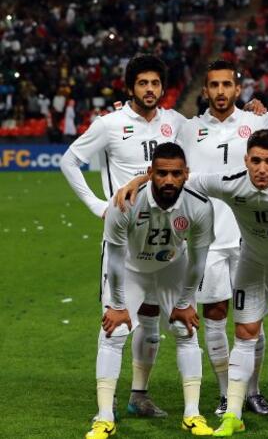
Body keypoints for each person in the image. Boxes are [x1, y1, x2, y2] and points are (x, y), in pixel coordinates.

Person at [115, 130, 268, 438]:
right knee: (245, 334)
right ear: (246, 160)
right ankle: (233, 415)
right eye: (255, 161)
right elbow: (178, 178)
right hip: (253, 264)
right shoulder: (230, 182)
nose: (262, 169)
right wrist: (137, 181)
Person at [60, 54, 187, 418]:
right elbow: (69, 161)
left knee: (150, 322)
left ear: (163, 88)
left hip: (164, 241)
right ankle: (106, 406)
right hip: (123, 241)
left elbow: (212, 139)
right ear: (130, 87)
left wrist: (258, 114)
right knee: (115, 325)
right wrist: (98, 206)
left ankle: (139, 396)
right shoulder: (110, 124)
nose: (149, 89)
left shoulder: (175, 123)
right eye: (142, 83)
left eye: (155, 83)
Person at [176, 60, 268, 417]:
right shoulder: (188, 130)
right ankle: (226, 393)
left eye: (227, 85)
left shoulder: (258, 123)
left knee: (251, 318)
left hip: (250, 237)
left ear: (238, 89)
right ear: (205, 90)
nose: (221, 91)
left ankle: (252, 391)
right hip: (205, 240)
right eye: (214, 85)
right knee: (214, 314)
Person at [86, 142, 215, 439]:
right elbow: (114, 258)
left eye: (176, 174)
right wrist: (118, 306)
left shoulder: (199, 205)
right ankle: (104, 417)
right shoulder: (125, 202)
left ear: (186, 174)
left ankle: (192, 414)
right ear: (150, 173)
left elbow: (199, 260)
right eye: (161, 173)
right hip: (131, 269)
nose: (168, 180)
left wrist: (185, 302)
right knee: (113, 332)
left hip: (172, 267)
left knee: (186, 330)